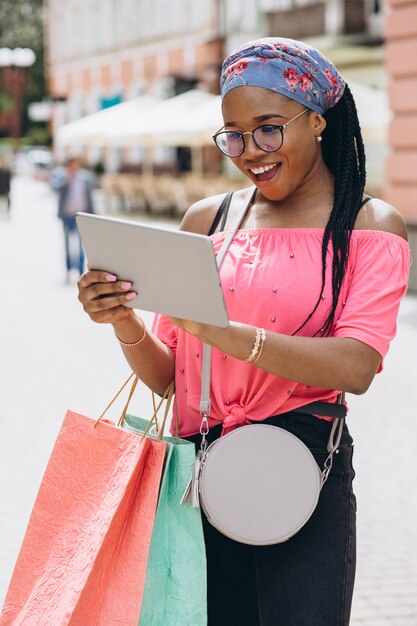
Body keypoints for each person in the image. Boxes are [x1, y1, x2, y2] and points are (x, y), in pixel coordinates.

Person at [77, 38, 410, 626]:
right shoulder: (207, 221)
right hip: (198, 478)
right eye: (233, 134)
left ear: (316, 121)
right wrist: (122, 318)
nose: (250, 150)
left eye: (269, 129)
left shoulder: (367, 224)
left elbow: (357, 366)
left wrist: (223, 331)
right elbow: (170, 381)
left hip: (302, 472)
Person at [52, 157, 95, 282]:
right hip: (67, 216)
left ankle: (80, 271)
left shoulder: (85, 178)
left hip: (81, 217)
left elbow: (89, 198)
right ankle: (68, 270)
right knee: (67, 245)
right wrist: (68, 179)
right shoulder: (62, 177)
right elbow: (55, 189)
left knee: (81, 246)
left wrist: (93, 215)